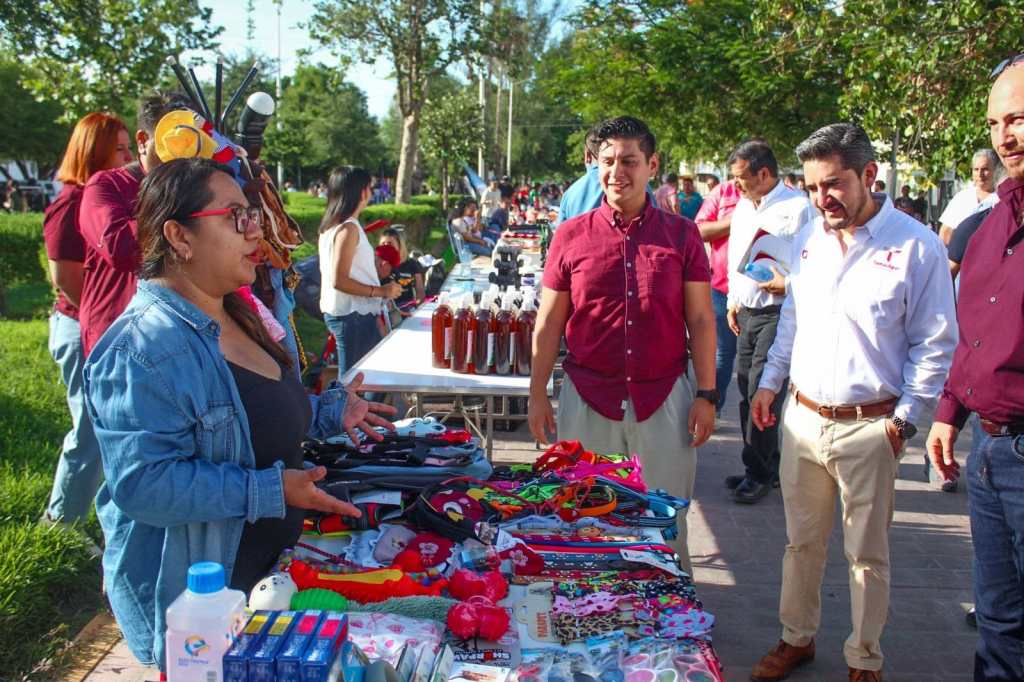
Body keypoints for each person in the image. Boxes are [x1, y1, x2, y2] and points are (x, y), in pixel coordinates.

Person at [84, 157, 396, 671]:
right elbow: (144, 486)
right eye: (236, 217)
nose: (257, 230)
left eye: (254, 215)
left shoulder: (238, 311)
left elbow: (247, 417)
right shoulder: (142, 348)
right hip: (200, 611)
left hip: (262, 582)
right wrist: (274, 491)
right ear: (179, 236)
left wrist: (328, 412)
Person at [746, 122, 957, 682]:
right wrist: (769, 384)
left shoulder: (916, 246)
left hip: (872, 426)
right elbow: (792, 319)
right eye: (813, 187)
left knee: (867, 557)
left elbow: (935, 343)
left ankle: (865, 657)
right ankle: (797, 637)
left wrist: (906, 421)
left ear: (869, 176)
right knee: (801, 544)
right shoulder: (811, 240)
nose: (823, 199)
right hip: (803, 419)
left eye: (834, 184)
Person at [527, 116, 717, 573]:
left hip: (664, 396)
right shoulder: (572, 236)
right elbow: (550, 320)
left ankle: (673, 627)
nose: (617, 172)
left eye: (629, 161)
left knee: (665, 521)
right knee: (583, 519)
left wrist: (707, 395)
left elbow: (701, 319)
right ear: (595, 165)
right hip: (588, 395)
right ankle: (590, 620)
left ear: (652, 165)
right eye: (608, 161)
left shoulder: (681, 234)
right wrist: (536, 395)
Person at [927, 56, 1024, 681]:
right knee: (998, 621)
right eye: (995, 123)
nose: (1004, 136)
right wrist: (947, 414)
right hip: (988, 453)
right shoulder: (986, 227)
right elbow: (973, 332)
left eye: (1019, 119)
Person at [42, 112, 133, 534]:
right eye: (120, 149)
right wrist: (97, 323)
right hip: (81, 331)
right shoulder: (73, 202)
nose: (129, 156)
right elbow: (67, 276)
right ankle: (60, 524)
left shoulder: (109, 195)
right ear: (93, 150)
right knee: (89, 433)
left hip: (97, 330)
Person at [724, 139, 816, 504]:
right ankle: (766, 462)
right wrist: (733, 300)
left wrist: (787, 282)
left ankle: (758, 472)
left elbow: (813, 263)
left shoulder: (798, 209)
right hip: (746, 311)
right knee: (745, 388)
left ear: (764, 173)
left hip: (777, 312)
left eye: (740, 178)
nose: (736, 186)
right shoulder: (745, 208)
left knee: (762, 389)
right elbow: (737, 255)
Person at [78, 91, 192, 357]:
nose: (182, 151)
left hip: (180, 338)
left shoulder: (201, 187)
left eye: (191, 140)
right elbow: (121, 249)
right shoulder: (106, 185)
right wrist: (177, 198)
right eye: (171, 139)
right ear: (143, 140)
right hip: (118, 338)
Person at [319, 166, 401, 372]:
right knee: (354, 386)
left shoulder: (334, 227)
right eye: (370, 188)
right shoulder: (348, 228)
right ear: (363, 192)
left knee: (365, 382)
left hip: (352, 315)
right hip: (353, 315)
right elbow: (339, 280)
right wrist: (381, 291)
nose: (371, 193)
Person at [695, 175, 741, 414]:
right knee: (723, 354)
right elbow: (699, 230)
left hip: (766, 294)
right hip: (722, 287)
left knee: (763, 364)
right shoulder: (723, 193)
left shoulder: (783, 198)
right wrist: (736, 221)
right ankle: (712, 409)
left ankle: (761, 423)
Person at [938, 148, 1002, 244]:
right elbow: (945, 232)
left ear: (996, 170)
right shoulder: (962, 197)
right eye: (976, 169)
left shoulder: (1003, 198)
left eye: (985, 169)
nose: (980, 174)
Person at [378, 228, 425, 311]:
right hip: (385, 308)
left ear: (399, 246)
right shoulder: (377, 265)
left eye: (389, 243)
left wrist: (418, 306)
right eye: (383, 244)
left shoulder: (412, 264)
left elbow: (420, 291)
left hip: (408, 307)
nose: (386, 246)